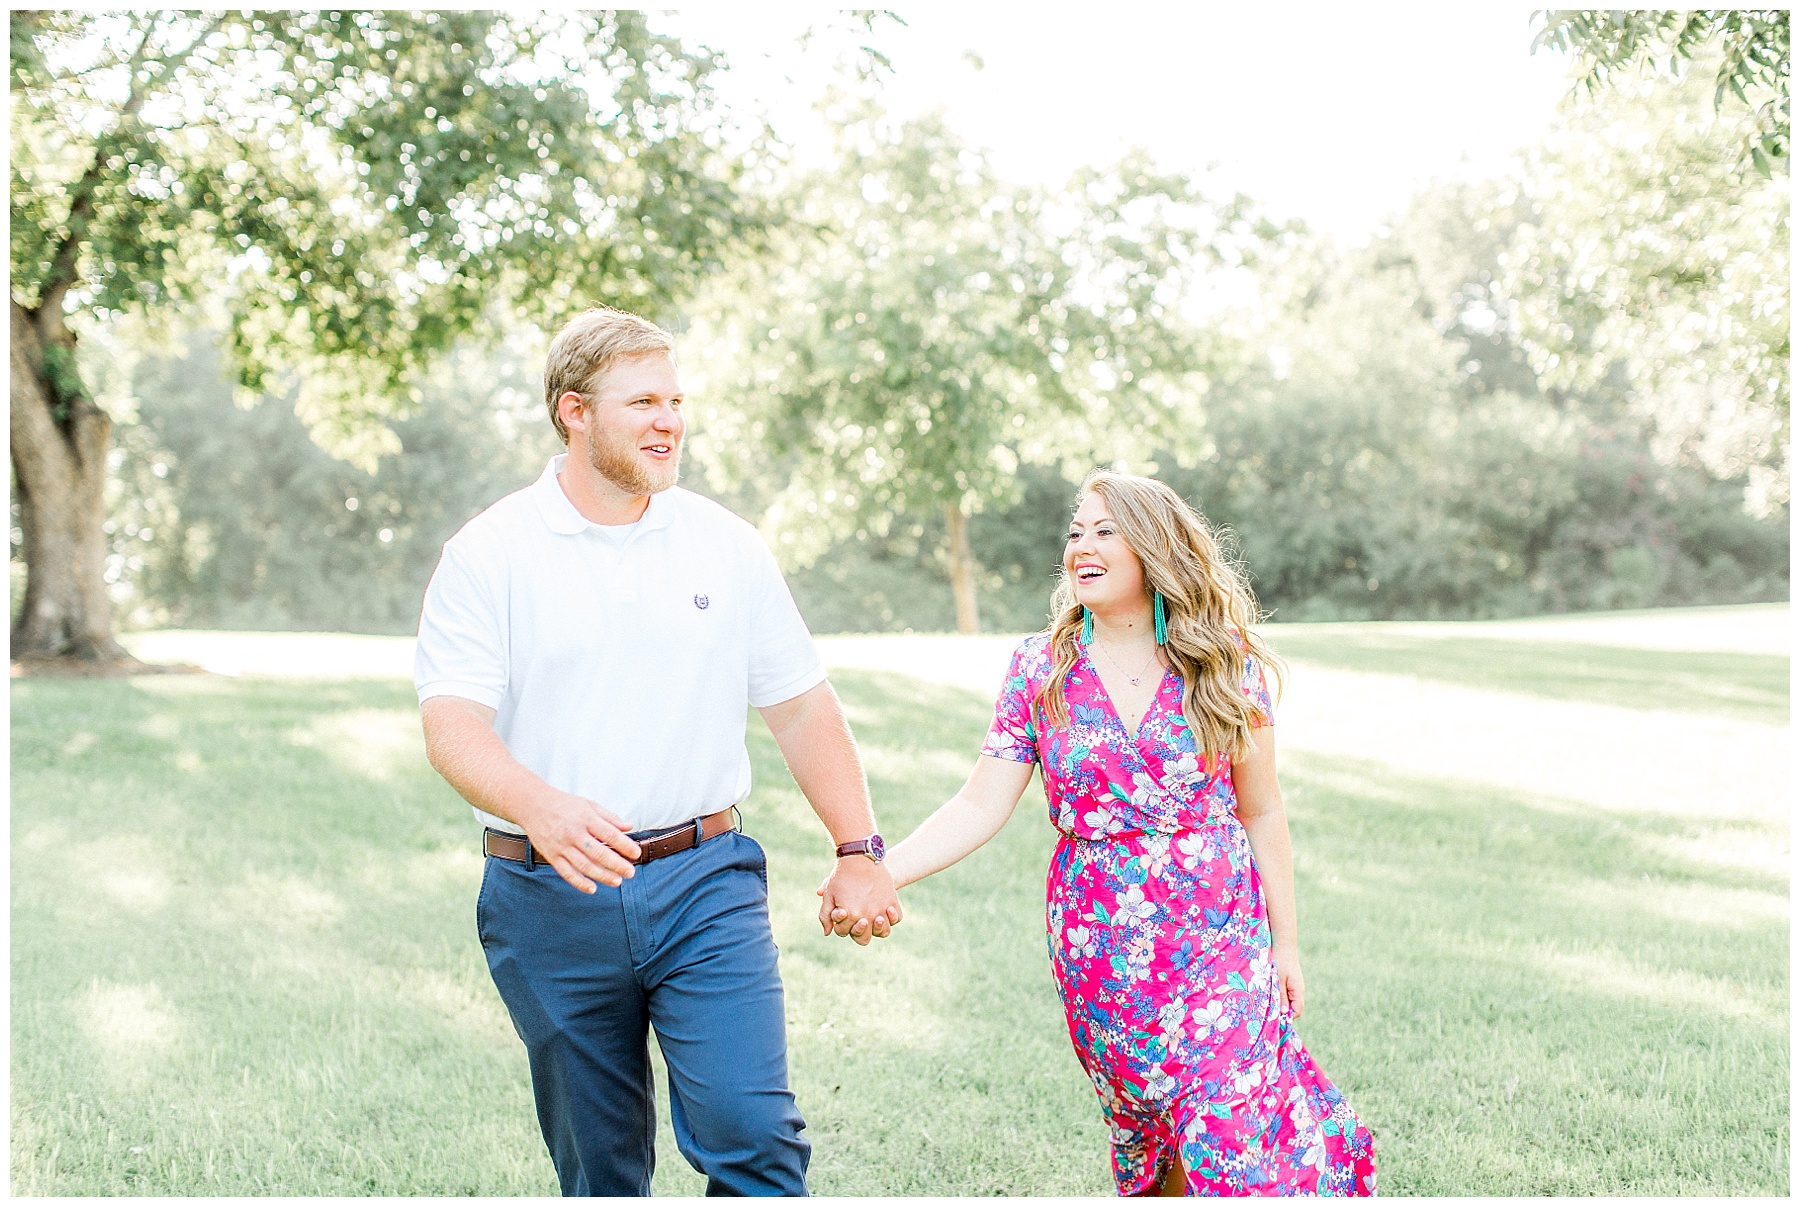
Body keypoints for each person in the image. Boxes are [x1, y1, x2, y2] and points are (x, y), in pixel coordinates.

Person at [414, 305, 902, 1197]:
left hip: (702, 879)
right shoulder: (490, 553)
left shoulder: (726, 544)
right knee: (601, 1171)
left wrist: (859, 847)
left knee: (753, 1135)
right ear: (574, 412)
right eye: (642, 401)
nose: (670, 420)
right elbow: (452, 725)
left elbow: (800, 707)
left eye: (676, 399)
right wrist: (541, 805)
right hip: (547, 894)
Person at [824, 469, 1375, 1195]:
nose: (1081, 545)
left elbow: (1261, 808)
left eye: (1104, 530)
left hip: (1219, 936)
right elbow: (979, 803)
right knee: (1157, 1136)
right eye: (1075, 531)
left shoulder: (1220, 659)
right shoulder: (1039, 668)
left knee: (1229, 1122)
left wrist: (1288, 943)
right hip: (1102, 946)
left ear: (1154, 545)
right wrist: (881, 870)